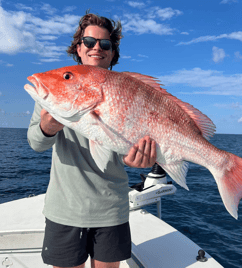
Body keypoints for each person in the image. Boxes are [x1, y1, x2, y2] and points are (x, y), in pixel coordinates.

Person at [27, 11, 156, 268]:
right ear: (79, 47)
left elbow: (124, 152)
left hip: (111, 209)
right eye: (89, 42)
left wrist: (139, 160)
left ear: (112, 51)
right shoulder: (51, 98)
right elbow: (36, 143)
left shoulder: (127, 90)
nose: (96, 47)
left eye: (105, 43)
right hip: (64, 209)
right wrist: (48, 126)